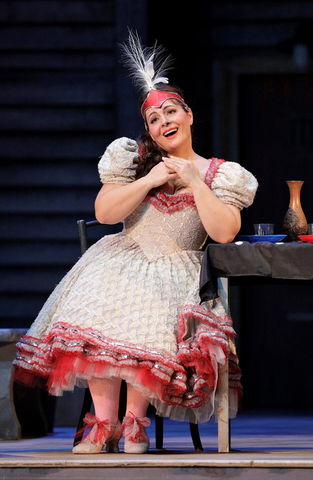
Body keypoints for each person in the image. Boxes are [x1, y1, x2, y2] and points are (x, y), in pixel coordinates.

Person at [13, 32, 258, 454]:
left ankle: (134, 423)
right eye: (154, 119)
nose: (164, 123)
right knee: (104, 293)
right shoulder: (132, 161)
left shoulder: (221, 174)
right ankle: (103, 424)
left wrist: (195, 181)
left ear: (189, 114)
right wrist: (150, 179)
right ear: (147, 129)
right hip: (122, 256)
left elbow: (223, 233)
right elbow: (107, 214)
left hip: (179, 267)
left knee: (146, 300)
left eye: (171, 112)